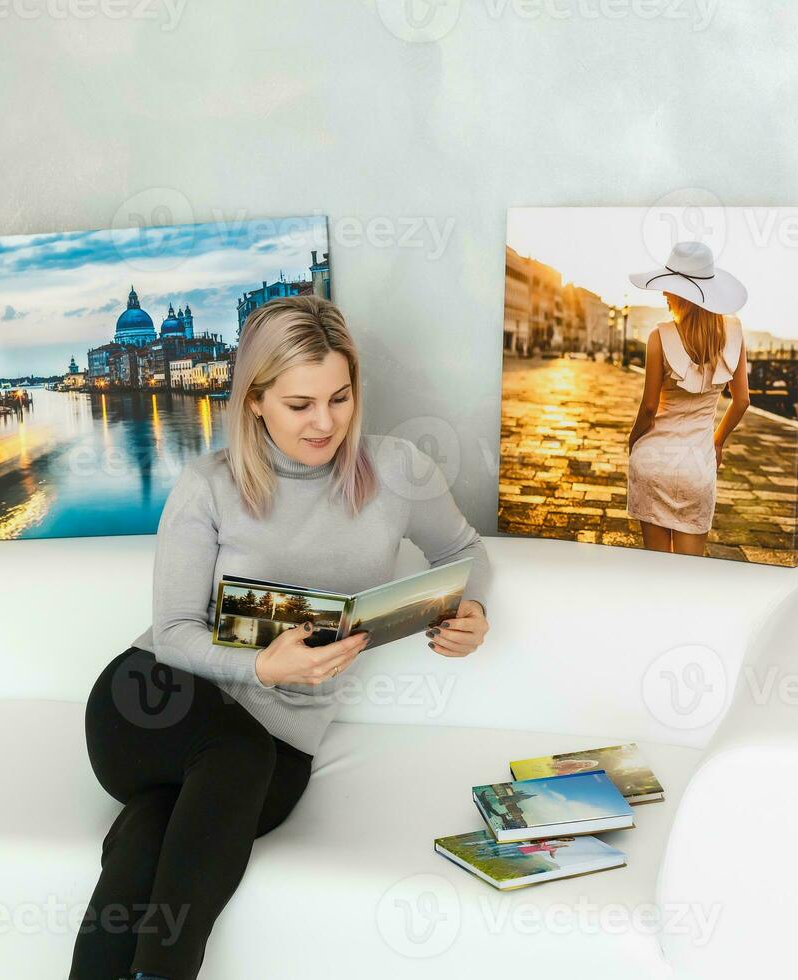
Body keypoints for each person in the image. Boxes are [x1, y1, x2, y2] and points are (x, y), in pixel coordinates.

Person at [69, 295, 493, 980]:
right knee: (233, 753)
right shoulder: (208, 484)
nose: (325, 423)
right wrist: (263, 669)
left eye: (341, 397)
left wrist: (470, 607)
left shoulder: (399, 471)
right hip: (152, 703)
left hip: (278, 750)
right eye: (300, 405)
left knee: (154, 831)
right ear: (255, 400)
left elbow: (465, 551)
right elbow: (175, 635)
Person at [626, 242, 753, 557]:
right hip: (697, 464)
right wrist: (718, 441)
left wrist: (633, 442)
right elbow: (742, 401)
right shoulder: (733, 333)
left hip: (653, 460)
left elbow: (650, 407)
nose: (664, 293)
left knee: (655, 568)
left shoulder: (658, 337)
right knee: (690, 572)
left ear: (682, 294)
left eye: (669, 288)